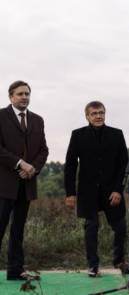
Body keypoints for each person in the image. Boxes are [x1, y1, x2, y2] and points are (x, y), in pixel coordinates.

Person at [64, 101, 129, 277]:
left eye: (101, 112)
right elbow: (70, 165)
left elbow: (123, 164)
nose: (98, 116)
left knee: (120, 227)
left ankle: (119, 260)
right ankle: (93, 265)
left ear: (105, 114)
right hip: (87, 191)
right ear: (87, 116)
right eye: (94, 113)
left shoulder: (116, 134)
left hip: (112, 190)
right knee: (91, 228)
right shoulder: (77, 135)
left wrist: (118, 190)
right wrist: (70, 193)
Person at [0, 80, 49, 280]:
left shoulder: (38, 120)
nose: (24, 97)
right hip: (4, 184)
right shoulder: (1, 116)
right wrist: (20, 163)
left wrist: (32, 168)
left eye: (27, 94)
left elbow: (43, 150)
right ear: (11, 96)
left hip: (26, 184)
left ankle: (15, 270)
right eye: (20, 94)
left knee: (18, 230)